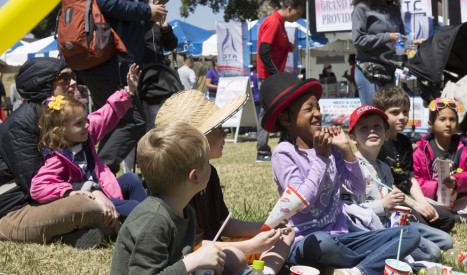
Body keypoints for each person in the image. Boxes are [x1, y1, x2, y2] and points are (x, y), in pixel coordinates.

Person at [261, 72, 420, 275]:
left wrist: (345, 150)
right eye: (309, 109)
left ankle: (355, 270)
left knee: (409, 235)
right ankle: (372, 261)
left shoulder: (331, 148)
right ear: (285, 118)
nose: (317, 114)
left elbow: (357, 188)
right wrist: (320, 158)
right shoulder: (285, 153)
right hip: (307, 240)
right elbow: (300, 200)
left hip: (343, 235)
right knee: (322, 243)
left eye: (317, 107)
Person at [154, 90, 294, 275]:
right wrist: (251, 246)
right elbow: (191, 245)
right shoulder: (179, 185)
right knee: (237, 256)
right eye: (218, 127)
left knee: (285, 234)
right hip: (194, 255)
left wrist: (266, 226)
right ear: (198, 140)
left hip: (215, 246)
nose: (224, 132)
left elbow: (223, 223)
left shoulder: (209, 174)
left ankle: (266, 272)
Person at [0, 58, 117, 248]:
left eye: (72, 76)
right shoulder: (19, 124)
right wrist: (92, 190)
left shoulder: (59, 117)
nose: (72, 82)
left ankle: (79, 235)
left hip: (50, 200)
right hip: (14, 210)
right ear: (44, 83)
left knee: (123, 185)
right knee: (87, 206)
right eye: (64, 78)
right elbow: (38, 185)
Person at [77, 0, 167, 174]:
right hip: (110, 63)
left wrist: (149, 17)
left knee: (111, 121)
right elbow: (108, 3)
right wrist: (146, 11)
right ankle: (97, 174)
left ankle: (96, 172)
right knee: (134, 120)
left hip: (113, 63)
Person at [30, 64, 146, 221]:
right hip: (92, 202)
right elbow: (38, 187)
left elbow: (107, 113)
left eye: (85, 120)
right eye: (79, 123)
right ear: (60, 131)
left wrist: (128, 91)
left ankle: (147, 217)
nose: (86, 125)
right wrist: (69, 191)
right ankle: (148, 219)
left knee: (131, 179)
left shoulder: (86, 135)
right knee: (132, 206)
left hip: (105, 189)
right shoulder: (57, 158)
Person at [110, 121, 226, 274]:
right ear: (195, 176)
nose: (209, 165)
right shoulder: (153, 221)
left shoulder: (187, 212)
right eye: (206, 161)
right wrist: (193, 261)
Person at [343, 104, 453, 264]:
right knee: (432, 253)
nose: (371, 131)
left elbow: (393, 199)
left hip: (395, 225)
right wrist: (382, 205)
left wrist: (399, 210)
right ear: (352, 137)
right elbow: (346, 209)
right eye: (364, 128)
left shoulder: (384, 168)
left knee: (446, 240)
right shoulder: (351, 167)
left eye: (377, 126)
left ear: (386, 134)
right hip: (373, 232)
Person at [373, 86, 456, 232]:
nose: (402, 117)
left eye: (405, 112)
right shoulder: (377, 143)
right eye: (395, 112)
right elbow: (385, 185)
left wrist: (423, 202)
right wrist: (415, 205)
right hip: (392, 199)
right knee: (423, 224)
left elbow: (410, 178)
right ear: (381, 114)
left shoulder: (405, 141)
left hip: (409, 196)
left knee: (447, 219)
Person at [413, 98, 467, 226]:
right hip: (431, 200)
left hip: (459, 199)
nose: (448, 124)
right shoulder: (421, 150)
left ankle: (454, 216)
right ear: (431, 123)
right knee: (419, 210)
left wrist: (457, 180)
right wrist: (437, 187)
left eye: (452, 119)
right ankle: (454, 218)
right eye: (442, 119)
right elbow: (414, 181)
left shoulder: (463, 147)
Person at [255, 0, 305, 163]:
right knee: (266, 113)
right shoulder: (274, 22)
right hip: (269, 77)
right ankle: (262, 152)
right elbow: (263, 51)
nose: (299, 16)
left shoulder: (280, 24)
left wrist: (287, 47)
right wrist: (276, 74)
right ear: (290, 8)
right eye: (298, 13)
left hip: (274, 75)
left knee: (284, 109)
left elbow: (274, 46)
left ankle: (286, 144)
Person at [351, 0, 406, 105]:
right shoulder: (362, 8)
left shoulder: (394, 10)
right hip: (368, 71)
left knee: (388, 118)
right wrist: (388, 37)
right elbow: (359, 40)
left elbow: (400, 38)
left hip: (389, 70)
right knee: (373, 115)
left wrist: (413, 43)